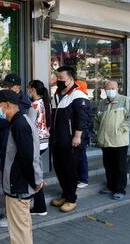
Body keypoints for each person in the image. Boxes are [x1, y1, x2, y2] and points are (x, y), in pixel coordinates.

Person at [0, 90, 43, 244]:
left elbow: (29, 157)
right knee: (22, 228)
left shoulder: (20, 124)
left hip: (19, 186)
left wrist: (35, 182)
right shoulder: (18, 122)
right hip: (19, 185)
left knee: (19, 232)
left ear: (6, 105)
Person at [0, 73, 35, 227]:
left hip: (14, 150)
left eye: (9, 86)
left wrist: (36, 179)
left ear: (17, 87)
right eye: (5, 86)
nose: (6, 88)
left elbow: (28, 155)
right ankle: (13, 211)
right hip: (4, 146)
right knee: (8, 178)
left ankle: (15, 213)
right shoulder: (9, 106)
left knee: (15, 181)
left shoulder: (23, 105)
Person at [50, 66, 91, 213]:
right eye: (58, 77)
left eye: (61, 78)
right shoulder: (57, 94)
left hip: (71, 141)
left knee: (70, 170)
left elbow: (82, 118)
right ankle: (65, 193)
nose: (59, 80)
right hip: (57, 139)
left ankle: (71, 198)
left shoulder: (78, 94)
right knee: (59, 168)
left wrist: (77, 136)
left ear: (71, 78)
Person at [95, 80, 130, 200]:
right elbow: (96, 120)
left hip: (119, 141)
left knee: (120, 167)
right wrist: (97, 132)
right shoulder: (102, 103)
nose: (110, 91)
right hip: (105, 140)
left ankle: (120, 190)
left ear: (117, 89)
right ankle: (110, 186)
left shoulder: (124, 100)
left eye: (113, 88)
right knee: (108, 166)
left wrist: (122, 129)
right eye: (108, 88)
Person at [27, 80, 51, 215]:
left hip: (35, 143)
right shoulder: (45, 103)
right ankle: (40, 206)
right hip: (44, 142)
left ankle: (39, 207)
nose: (28, 91)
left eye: (29, 88)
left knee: (34, 175)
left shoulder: (33, 106)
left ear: (33, 89)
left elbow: (28, 127)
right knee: (35, 172)